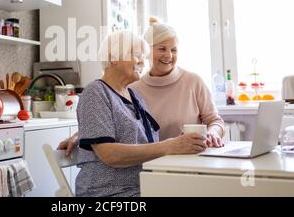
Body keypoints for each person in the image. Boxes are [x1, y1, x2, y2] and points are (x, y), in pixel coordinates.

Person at [59, 17, 225, 156]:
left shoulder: (192, 82)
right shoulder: (131, 88)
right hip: (153, 167)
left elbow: (215, 121)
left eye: (174, 50)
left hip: (185, 161)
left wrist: (212, 133)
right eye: (162, 49)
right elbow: (110, 124)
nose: (169, 55)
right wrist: (80, 135)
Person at [74, 31, 206, 197]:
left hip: (144, 187)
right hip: (108, 192)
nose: (143, 62)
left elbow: (146, 144)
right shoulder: (96, 92)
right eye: (137, 55)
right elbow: (110, 154)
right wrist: (171, 145)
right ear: (113, 57)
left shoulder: (134, 96)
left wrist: (180, 143)